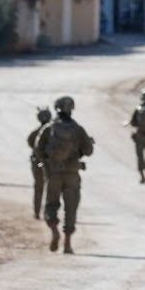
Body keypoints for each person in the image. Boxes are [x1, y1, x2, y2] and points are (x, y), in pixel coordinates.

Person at [32, 96, 94, 253]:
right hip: (72, 174)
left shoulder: (49, 128)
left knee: (51, 205)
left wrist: (47, 162)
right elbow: (89, 150)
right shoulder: (78, 129)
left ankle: (54, 231)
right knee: (71, 208)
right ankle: (67, 243)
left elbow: (37, 148)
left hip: (54, 174)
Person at [27, 106, 52, 219]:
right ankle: (47, 212)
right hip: (49, 164)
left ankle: (37, 211)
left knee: (39, 186)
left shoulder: (35, 133)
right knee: (50, 187)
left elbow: (30, 143)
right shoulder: (53, 131)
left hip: (37, 163)